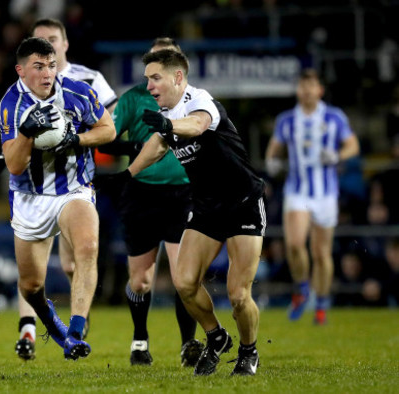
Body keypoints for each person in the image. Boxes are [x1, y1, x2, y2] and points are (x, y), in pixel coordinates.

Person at [123, 49, 266, 376]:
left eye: (155, 78)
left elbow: (198, 125)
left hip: (243, 202)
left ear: (177, 77)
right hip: (206, 208)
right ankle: (216, 337)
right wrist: (127, 174)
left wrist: (168, 123)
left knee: (239, 295)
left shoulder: (200, 101)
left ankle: (249, 351)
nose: (149, 86)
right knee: (184, 283)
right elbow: (159, 144)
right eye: (147, 80)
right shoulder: (167, 112)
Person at [0, 37, 115, 360]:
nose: (47, 73)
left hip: (73, 188)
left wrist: (75, 138)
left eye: (50, 65)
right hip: (30, 197)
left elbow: (108, 129)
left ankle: (75, 334)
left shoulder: (77, 91)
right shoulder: (11, 103)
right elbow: (14, 164)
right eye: (38, 67)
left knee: (88, 247)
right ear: (21, 71)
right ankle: (53, 324)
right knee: (31, 286)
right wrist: (26, 133)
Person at [93, 38, 202, 367]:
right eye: (151, 65)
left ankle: (188, 345)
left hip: (183, 193)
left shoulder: (195, 100)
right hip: (140, 195)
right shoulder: (132, 100)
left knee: (184, 277)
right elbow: (106, 136)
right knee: (140, 280)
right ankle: (140, 339)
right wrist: (132, 150)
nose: (153, 75)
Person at [265, 69, 360, 325]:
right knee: (294, 245)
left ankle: (321, 303)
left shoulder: (333, 116)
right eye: (302, 86)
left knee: (321, 253)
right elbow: (274, 148)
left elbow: (353, 145)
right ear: (298, 90)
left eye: (311, 85)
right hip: (297, 190)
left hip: (326, 193)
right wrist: (272, 162)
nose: (307, 90)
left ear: (319, 90)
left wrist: (338, 156)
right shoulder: (287, 119)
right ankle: (303, 288)